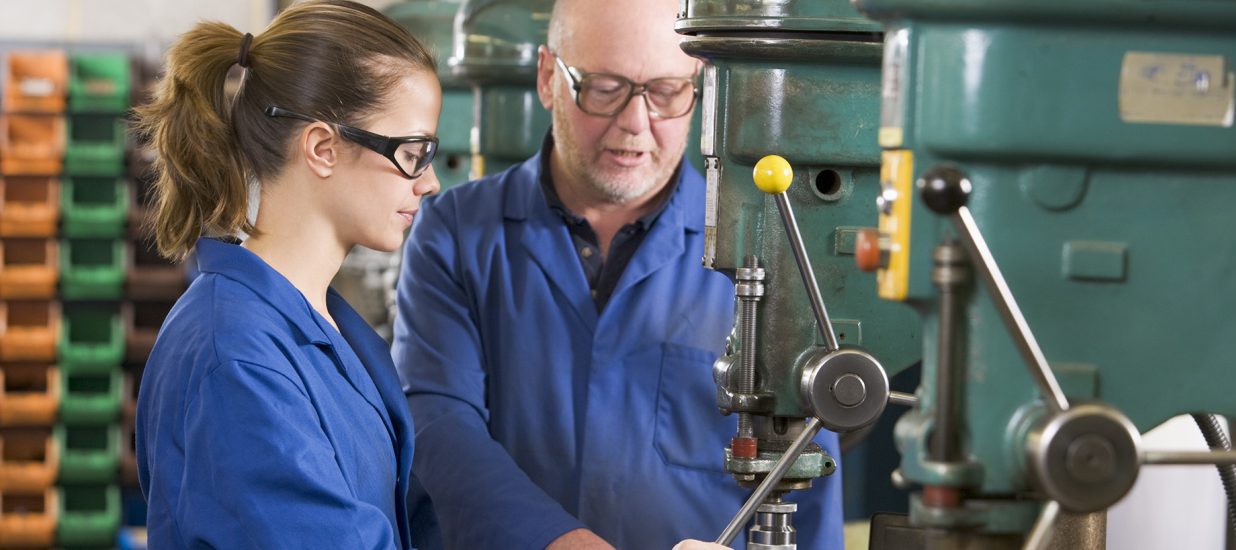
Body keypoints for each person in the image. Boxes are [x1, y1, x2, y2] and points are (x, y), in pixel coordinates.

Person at [391, 0, 842, 548]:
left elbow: (808, 476)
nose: (635, 122)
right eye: (604, 88)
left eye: (666, 91)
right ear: (547, 77)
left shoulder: (768, 251)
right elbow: (437, 423)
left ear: (698, 87)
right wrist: (555, 538)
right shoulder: (455, 233)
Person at [132, 1, 441, 547]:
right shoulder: (235, 356)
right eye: (413, 152)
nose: (430, 181)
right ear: (323, 148)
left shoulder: (321, 324)